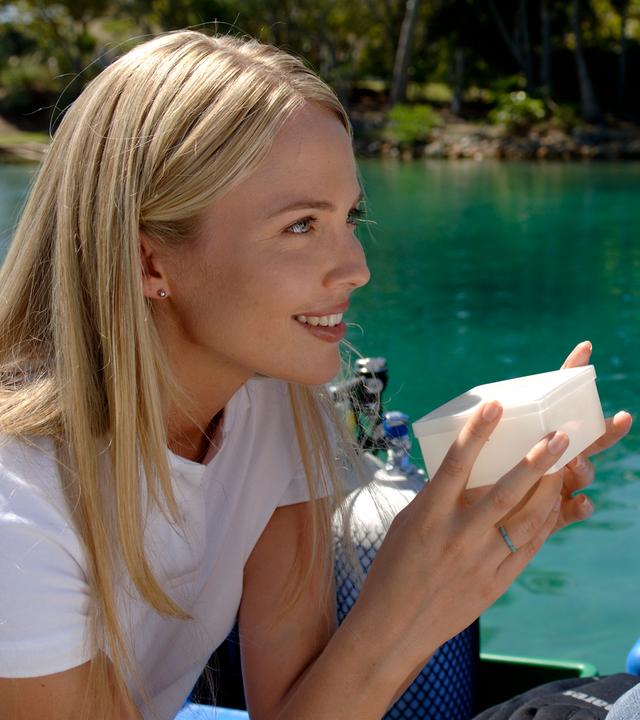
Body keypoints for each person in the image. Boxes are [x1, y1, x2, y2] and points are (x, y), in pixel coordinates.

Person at [0, 30, 631, 720]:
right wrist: (407, 602)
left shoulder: (276, 406)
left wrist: (466, 551)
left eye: (349, 216)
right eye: (301, 225)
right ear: (150, 261)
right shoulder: (19, 508)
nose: (358, 269)